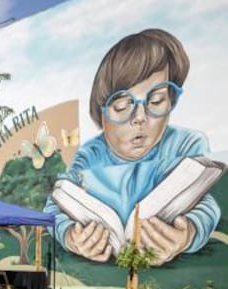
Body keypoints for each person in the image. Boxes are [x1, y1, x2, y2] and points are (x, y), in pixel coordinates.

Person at [44, 28, 220, 265]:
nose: (140, 117)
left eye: (156, 101)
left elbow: (206, 203)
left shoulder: (187, 144)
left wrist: (188, 233)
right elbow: (56, 203)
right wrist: (71, 236)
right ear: (102, 113)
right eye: (123, 106)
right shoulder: (90, 154)